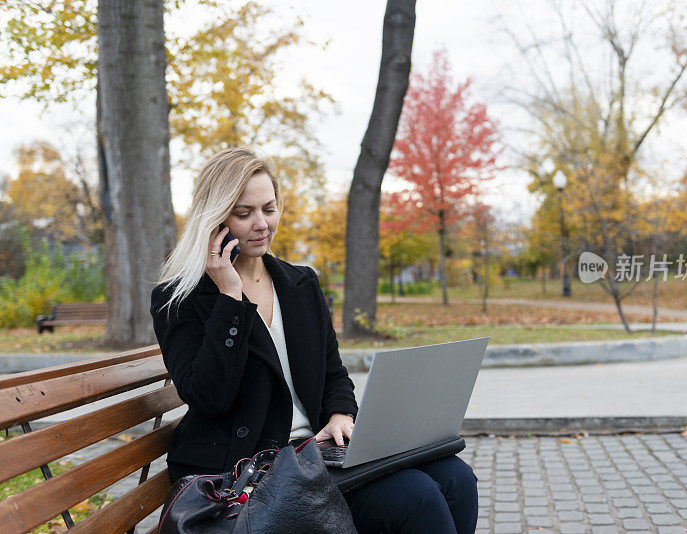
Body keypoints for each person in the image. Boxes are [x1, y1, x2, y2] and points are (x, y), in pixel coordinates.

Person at [150, 147, 479, 533]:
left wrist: (341, 414)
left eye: (269, 209)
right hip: (249, 469)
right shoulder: (181, 299)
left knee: (457, 478)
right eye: (244, 214)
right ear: (214, 220)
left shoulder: (300, 283)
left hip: (319, 452)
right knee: (416, 495)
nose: (261, 225)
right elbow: (209, 397)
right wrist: (229, 296)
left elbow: (334, 373)